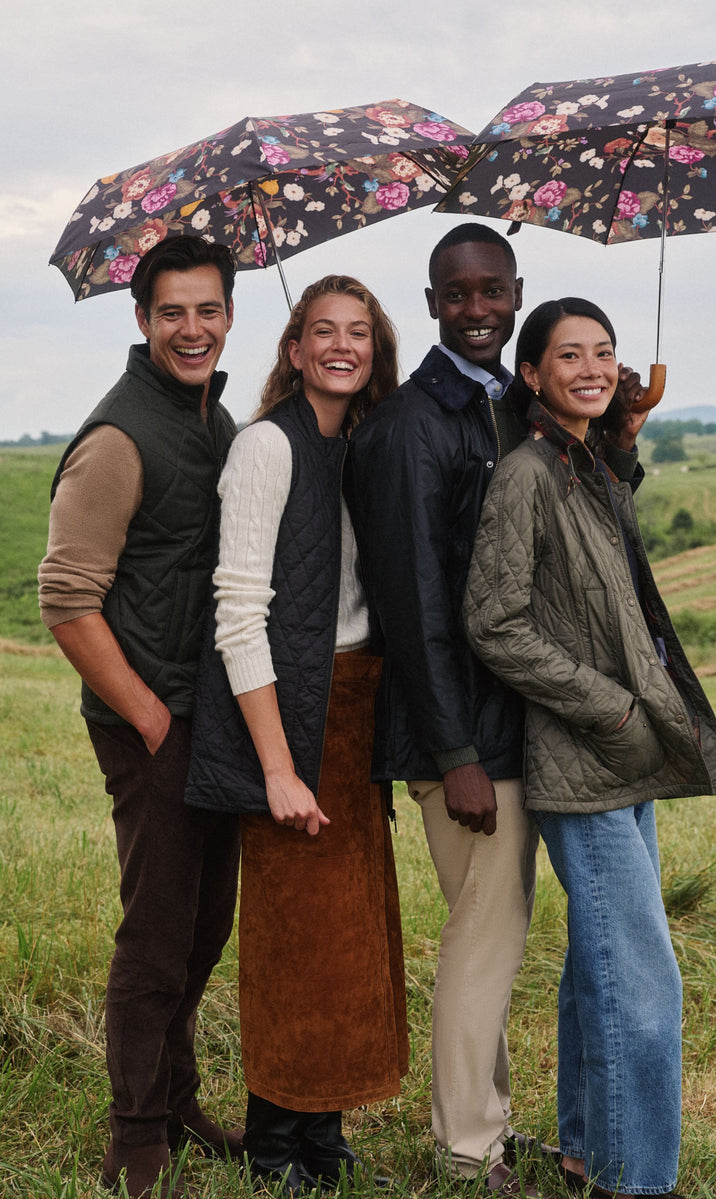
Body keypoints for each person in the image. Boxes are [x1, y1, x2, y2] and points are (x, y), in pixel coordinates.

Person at [348, 225, 645, 1197]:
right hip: (462, 738)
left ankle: (488, 1124)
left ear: (516, 294)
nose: (476, 308)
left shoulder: (515, 409)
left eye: (492, 290)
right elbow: (412, 604)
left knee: (499, 931)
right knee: (485, 937)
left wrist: (620, 441)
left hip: (515, 725)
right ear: (431, 303)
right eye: (457, 292)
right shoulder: (408, 425)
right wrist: (454, 750)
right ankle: (468, 1149)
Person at [463, 297, 716, 1199]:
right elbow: (494, 623)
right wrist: (609, 708)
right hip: (586, 755)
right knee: (641, 981)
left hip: (625, 750)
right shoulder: (526, 474)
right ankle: (635, 1180)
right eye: (568, 355)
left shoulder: (585, 464)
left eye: (603, 352)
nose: (592, 367)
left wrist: (623, 439)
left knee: (596, 966)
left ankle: (584, 1152)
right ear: (531, 374)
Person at [185, 275, 409, 1194]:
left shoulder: (360, 443)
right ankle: (275, 1139)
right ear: (294, 349)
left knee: (350, 935)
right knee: (293, 940)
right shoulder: (266, 446)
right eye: (324, 330)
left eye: (359, 331)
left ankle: (325, 1133)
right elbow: (239, 614)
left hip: (355, 711)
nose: (342, 345)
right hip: (286, 715)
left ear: (376, 350)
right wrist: (277, 767)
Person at [38, 236, 244, 1199]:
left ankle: (176, 1102)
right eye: (172, 313)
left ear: (230, 314)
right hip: (152, 717)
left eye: (207, 310)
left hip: (211, 716)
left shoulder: (213, 418)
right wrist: (152, 719)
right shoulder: (119, 438)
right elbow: (65, 600)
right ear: (142, 319)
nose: (191, 329)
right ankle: (135, 1140)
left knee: (205, 925)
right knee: (157, 935)